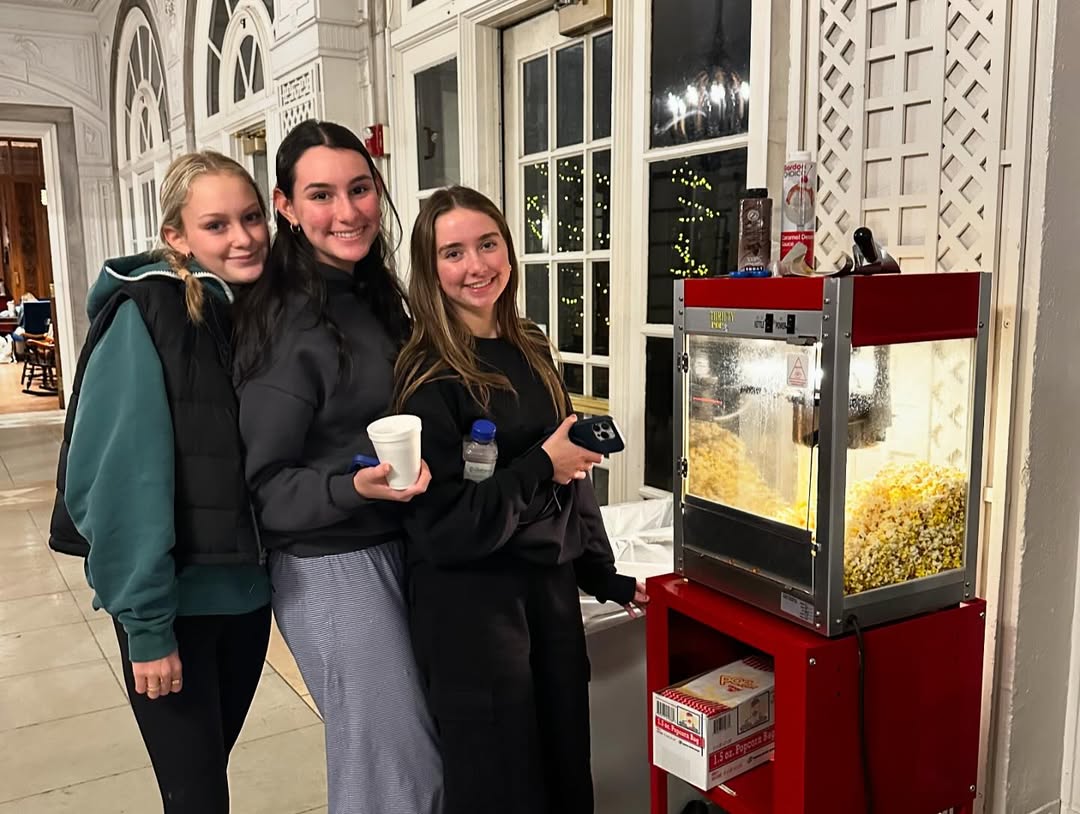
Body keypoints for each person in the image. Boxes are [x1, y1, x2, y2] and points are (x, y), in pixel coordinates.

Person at [395, 185, 650, 814]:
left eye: (488, 244)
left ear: (509, 250)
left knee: (565, 772)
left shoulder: (532, 346)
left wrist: (604, 574)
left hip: (549, 597)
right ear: (429, 270)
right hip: (473, 612)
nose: (476, 265)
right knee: (499, 787)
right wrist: (541, 464)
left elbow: (574, 481)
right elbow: (447, 529)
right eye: (452, 253)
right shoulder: (427, 377)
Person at [50, 151, 273, 813]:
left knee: (206, 777)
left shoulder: (246, 314)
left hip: (247, 599)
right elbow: (122, 483)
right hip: (178, 607)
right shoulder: (146, 315)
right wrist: (147, 628)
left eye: (253, 216)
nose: (243, 236)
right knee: (195, 797)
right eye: (217, 224)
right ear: (176, 236)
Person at [231, 119, 443, 814]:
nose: (346, 212)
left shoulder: (372, 293)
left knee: (420, 758)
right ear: (285, 206)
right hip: (331, 568)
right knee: (393, 777)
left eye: (359, 189)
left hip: (398, 547)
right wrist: (355, 485)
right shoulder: (287, 319)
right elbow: (263, 489)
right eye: (320, 195)